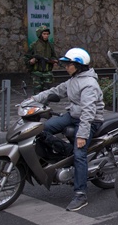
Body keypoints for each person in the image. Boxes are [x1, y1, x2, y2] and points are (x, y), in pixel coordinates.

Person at [32, 48, 105, 212]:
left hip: (90, 120)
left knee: (80, 154)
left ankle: (80, 194)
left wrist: (82, 136)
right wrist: (34, 99)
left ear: (78, 65)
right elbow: (55, 91)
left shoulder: (89, 84)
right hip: (73, 115)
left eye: (68, 64)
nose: (66, 67)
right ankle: (65, 151)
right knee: (41, 129)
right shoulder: (74, 79)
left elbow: (88, 112)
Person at [25, 25, 58, 94]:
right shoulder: (34, 45)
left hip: (47, 73)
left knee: (47, 94)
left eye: (47, 34)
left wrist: (53, 61)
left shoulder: (50, 45)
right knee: (37, 94)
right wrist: (31, 61)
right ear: (40, 34)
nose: (46, 36)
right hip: (37, 73)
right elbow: (26, 57)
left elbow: (54, 56)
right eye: (44, 34)